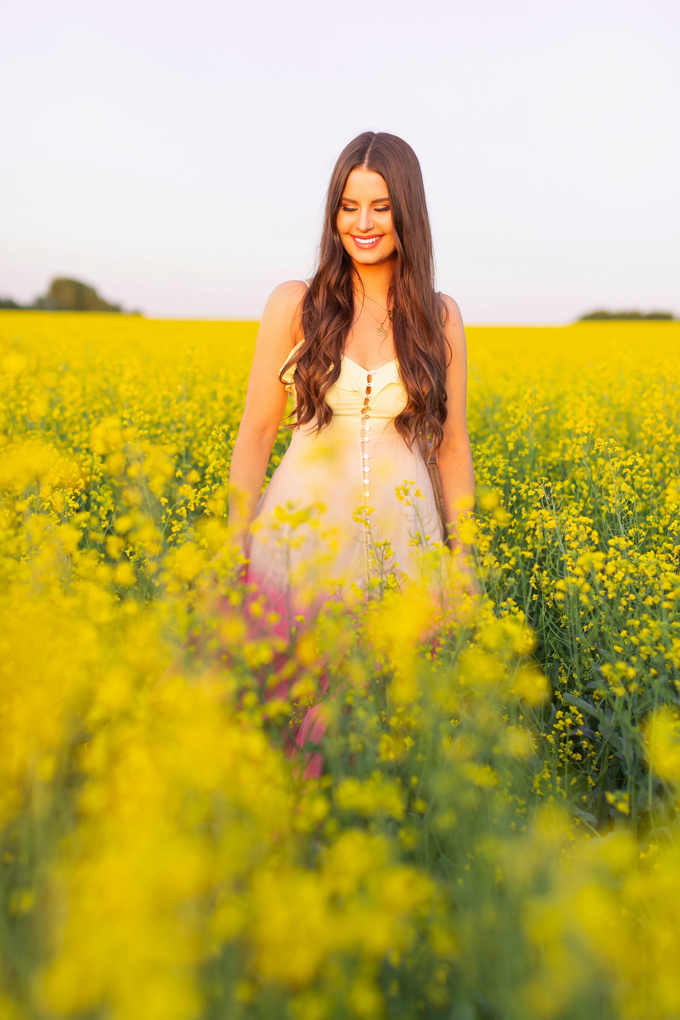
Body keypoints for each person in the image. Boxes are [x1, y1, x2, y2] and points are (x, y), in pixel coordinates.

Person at [228, 131, 476, 628]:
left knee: (391, 701)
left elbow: (451, 445)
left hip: (406, 541)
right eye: (348, 206)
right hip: (299, 538)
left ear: (407, 211)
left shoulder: (439, 315)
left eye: (381, 207)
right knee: (271, 696)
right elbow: (257, 431)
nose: (362, 224)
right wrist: (233, 543)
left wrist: (465, 559)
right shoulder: (295, 304)